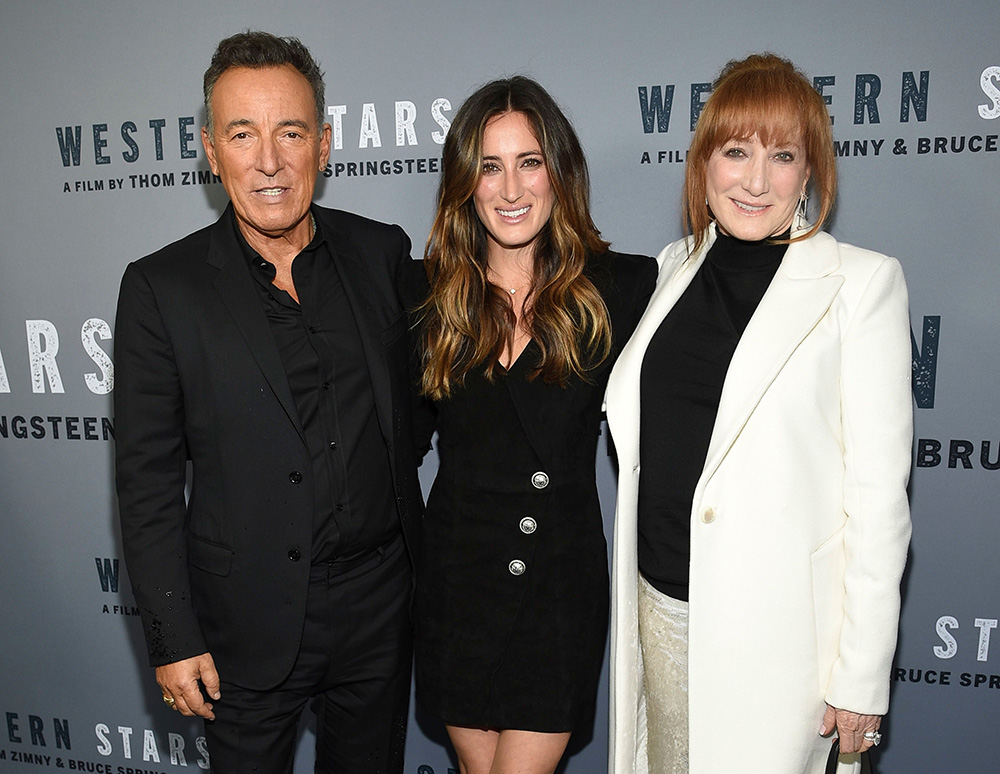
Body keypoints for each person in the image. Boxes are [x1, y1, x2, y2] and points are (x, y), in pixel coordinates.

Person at [114, 31, 424, 773]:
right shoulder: (163, 288)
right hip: (242, 624)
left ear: (322, 143)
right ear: (210, 151)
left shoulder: (381, 254)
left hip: (379, 606)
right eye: (242, 134)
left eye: (289, 132)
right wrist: (172, 633)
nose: (269, 161)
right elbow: (147, 480)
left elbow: (439, 392)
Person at [605, 53, 912, 774]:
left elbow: (879, 501)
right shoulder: (673, 266)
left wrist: (860, 680)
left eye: (782, 156)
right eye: (735, 151)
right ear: (704, 162)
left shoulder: (860, 286)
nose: (754, 179)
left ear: (809, 173)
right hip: (661, 615)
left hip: (782, 650)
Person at [408, 76, 656, 774]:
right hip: (457, 586)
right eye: (489, 166)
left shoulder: (621, 288)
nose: (510, 189)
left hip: (554, 590)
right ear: (465, 181)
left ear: (560, 173)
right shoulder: (428, 296)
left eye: (529, 162)